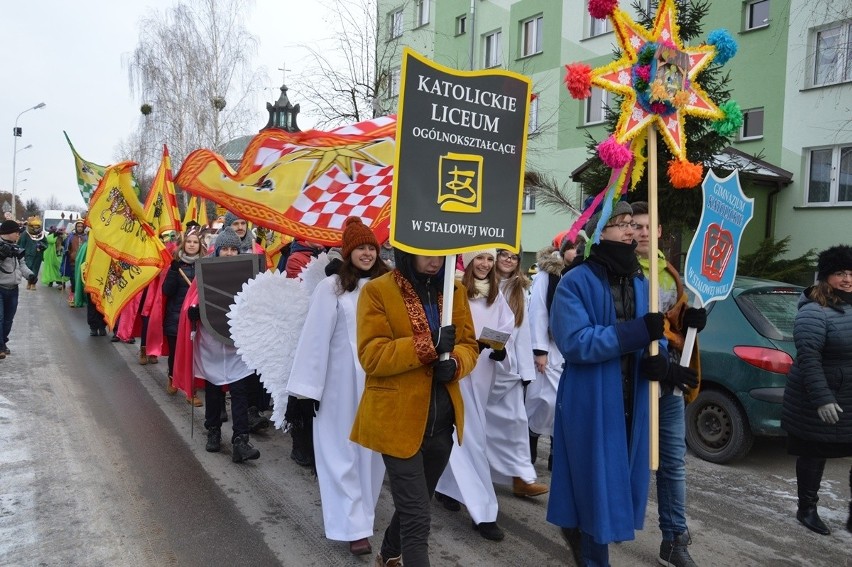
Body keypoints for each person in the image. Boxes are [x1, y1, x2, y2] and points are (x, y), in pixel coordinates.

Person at [546, 201, 679, 566]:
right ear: (601, 232)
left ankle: (584, 535)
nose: (631, 231)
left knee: (615, 481)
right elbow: (575, 341)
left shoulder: (642, 281)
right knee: (593, 483)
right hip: (591, 398)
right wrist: (635, 333)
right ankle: (592, 556)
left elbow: (657, 336)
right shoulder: (576, 280)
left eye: (634, 225)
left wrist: (661, 359)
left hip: (632, 397)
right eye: (621, 224)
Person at [351, 251, 479, 567]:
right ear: (408, 252)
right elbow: (372, 356)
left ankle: (389, 554)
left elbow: (469, 344)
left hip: (441, 421)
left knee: (415, 504)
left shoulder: (454, 289)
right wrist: (428, 344)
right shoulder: (377, 290)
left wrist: (457, 363)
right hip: (397, 420)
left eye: (442, 256)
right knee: (418, 515)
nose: (435, 262)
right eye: (427, 255)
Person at [287, 217, 390, 556]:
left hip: (377, 382)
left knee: (371, 455)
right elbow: (314, 339)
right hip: (338, 386)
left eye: (371, 247)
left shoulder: (387, 286)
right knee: (340, 453)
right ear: (348, 252)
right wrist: (305, 392)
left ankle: (364, 514)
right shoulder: (331, 288)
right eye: (360, 247)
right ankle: (352, 526)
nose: (367, 253)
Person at [631, 201, 705, 567]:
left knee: (673, 464)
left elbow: (674, 328)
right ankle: (594, 527)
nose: (643, 232)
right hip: (631, 385)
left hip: (669, 386)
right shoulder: (622, 271)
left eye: (650, 226)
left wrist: (692, 322)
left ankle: (674, 539)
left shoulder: (673, 275)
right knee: (626, 460)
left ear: (660, 232)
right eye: (637, 226)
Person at [435, 250, 515, 542]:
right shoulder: (454, 290)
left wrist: (500, 349)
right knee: (470, 438)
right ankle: (484, 511)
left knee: (460, 435)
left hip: (483, 377)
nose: (485, 264)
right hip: (458, 372)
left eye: (489, 260)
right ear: (468, 263)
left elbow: (507, 328)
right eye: (479, 258)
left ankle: (445, 486)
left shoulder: (496, 296)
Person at [782, 244, 852, 536]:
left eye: (851, 272)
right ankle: (806, 509)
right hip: (817, 396)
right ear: (825, 277)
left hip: (848, 395)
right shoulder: (814, 310)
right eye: (840, 273)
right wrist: (823, 398)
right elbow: (809, 357)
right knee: (814, 452)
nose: (847, 279)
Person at [176, 227, 261, 463]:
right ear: (218, 250)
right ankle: (213, 431)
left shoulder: (249, 274)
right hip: (211, 343)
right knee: (214, 391)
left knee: (240, 392)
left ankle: (241, 440)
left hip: (237, 345)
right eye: (225, 248)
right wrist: (194, 312)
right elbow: (192, 301)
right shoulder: (205, 273)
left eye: (234, 249)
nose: (230, 253)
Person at [491, 248, 550, 498]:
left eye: (514, 257)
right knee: (477, 428)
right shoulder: (482, 283)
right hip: (483, 363)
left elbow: (523, 330)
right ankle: (456, 482)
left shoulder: (519, 289)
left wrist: (526, 369)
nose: (508, 260)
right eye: (504, 254)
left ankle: (521, 478)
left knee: (516, 422)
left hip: (510, 368)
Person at [526, 245, 566, 469]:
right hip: (549, 350)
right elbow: (539, 310)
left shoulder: (580, 272)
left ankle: (555, 453)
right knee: (545, 402)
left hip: (569, 349)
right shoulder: (547, 276)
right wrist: (540, 350)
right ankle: (531, 438)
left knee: (563, 405)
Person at [162, 227, 202, 398]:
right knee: (175, 353)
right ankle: (172, 377)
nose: (192, 245)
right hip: (176, 317)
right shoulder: (176, 266)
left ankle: (190, 388)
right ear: (183, 244)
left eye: (195, 242)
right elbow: (167, 291)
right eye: (189, 242)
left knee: (194, 354)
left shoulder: (204, 265)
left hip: (195, 317)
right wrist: (172, 271)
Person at [0, 220, 37, 358]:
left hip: (13, 289)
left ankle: (3, 342)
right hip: (0, 288)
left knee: (8, 319)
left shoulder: (16, 247)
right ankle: (0, 347)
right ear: (8, 233)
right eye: (16, 232)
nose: (18, 235)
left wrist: (30, 275)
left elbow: (22, 265)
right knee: (0, 318)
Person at [61, 220, 87, 306]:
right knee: (74, 280)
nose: (80, 228)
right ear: (76, 227)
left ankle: (81, 298)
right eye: (78, 226)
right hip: (73, 262)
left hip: (84, 263)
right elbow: (65, 246)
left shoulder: (86, 237)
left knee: (82, 281)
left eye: (81, 227)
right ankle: (72, 295)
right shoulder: (70, 237)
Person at [18, 217, 46, 290]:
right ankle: (29, 282)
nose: (36, 229)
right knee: (28, 268)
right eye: (34, 227)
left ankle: (33, 284)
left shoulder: (41, 234)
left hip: (38, 255)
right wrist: (21, 253)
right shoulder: (25, 234)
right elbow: (20, 244)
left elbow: (46, 243)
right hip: (28, 255)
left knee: (35, 269)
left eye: (37, 227)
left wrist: (42, 246)